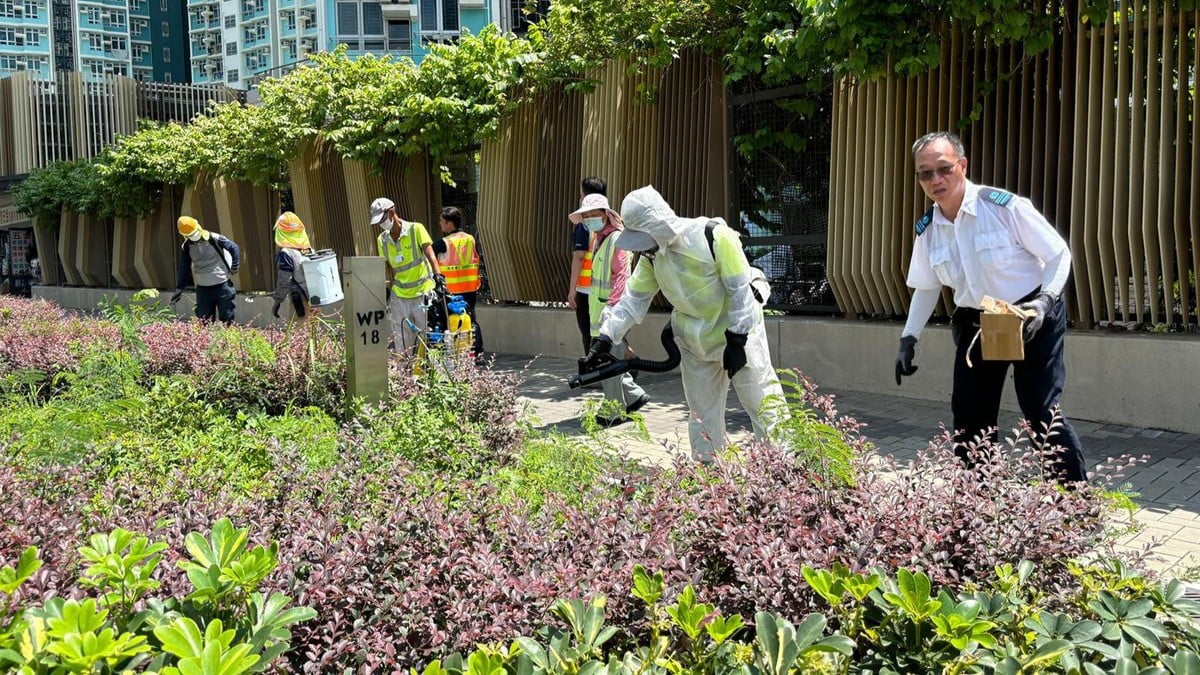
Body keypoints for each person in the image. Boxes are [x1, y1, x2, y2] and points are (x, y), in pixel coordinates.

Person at [894, 131, 1088, 484]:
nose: (936, 179)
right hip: (977, 323)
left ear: (962, 165)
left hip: (1030, 314)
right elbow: (926, 285)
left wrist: (1045, 302)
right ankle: (979, 507)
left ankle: (1073, 505)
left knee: (1040, 414)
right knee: (970, 416)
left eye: (944, 168)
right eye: (926, 173)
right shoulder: (929, 229)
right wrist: (908, 338)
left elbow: (1058, 253)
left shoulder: (1003, 207)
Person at [589, 186, 782, 461]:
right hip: (694, 340)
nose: (644, 248)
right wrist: (606, 338)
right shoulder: (652, 257)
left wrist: (738, 340)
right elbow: (634, 299)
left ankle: (781, 469)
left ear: (658, 226)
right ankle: (710, 474)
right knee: (702, 412)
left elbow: (740, 292)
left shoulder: (714, 237)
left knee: (761, 401)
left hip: (738, 334)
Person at [569, 192, 649, 427]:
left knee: (607, 362)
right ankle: (633, 395)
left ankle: (613, 410)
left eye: (594, 215)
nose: (590, 220)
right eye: (587, 216)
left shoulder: (616, 239)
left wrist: (614, 309)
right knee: (611, 357)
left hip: (611, 312)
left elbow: (622, 276)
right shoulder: (601, 239)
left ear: (606, 214)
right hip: (601, 312)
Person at [370, 197, 445, 352]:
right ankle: (405, 374)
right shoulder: (382, 240)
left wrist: (439, 277)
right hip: (399, 297)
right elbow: (387, 267)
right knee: (402, 341)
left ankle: (430, 373)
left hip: (422, 294)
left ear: (391, 212)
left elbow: (431, 255)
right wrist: (384, 288)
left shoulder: (415, 229)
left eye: (382, 219)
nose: (381, 224)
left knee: (428, 339)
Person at [432, 206, 484, 356]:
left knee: (449, 322)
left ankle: (453, 353)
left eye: (441, 221)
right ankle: (477, 353)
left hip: (451, 290)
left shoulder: (443, 243)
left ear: (449, 224)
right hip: (470, 287)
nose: (440, 224)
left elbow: (428, 257)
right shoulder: (470, 239)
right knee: (471, 320)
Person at [172, 216, 240, 324]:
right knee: (204, 321)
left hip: (222, 285)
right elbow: (184, 268)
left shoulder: (214, 238)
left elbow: (234, 248)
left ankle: (226, 340)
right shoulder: (186, 247)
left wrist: (235, 266)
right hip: (203, 290)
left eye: (194, 233)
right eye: (190, 235)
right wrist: (179, 289)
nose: (193, 236)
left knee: (227, 319)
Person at [567, 177, 606, 355]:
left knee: (589, 333)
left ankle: (594, 372)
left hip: (586, 290)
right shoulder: (614, 223)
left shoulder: (585, 224)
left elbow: (579, 258)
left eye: (581, 194)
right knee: (609, 332)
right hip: (609, 290)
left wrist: (572, 290)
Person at [271, 211, 314, 322]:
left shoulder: (287, 253)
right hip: (315, 300)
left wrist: (277, 302)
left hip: (300, 302)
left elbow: (284, 281)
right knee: (314, 335)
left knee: (298, 335)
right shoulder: (310, 251)